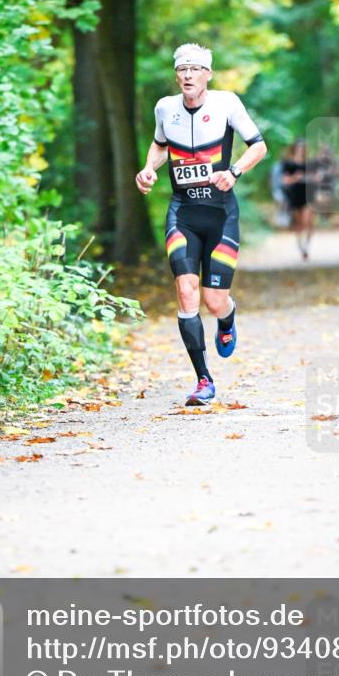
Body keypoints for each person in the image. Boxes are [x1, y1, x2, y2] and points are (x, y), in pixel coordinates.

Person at [135, 43, 267, 406]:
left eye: (195, 69)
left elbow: (259, 146)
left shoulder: (227, 104)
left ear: (207, 74)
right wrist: (149, 169)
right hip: (183, 213)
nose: (188, 75)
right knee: (186, 291)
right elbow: (160, 145)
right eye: (182, 69)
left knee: (213, 301)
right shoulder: (165, 108)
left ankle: (228, 319)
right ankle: (203, 379)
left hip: (221, 213)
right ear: (176, 75)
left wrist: (235, 171)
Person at [281, 139, 315, 259]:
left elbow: (316, 178)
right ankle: (301, 246)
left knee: (307, 221)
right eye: (299, 148)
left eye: (303, 148)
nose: (301, 150)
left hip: (308, 195)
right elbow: (285, 180)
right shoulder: (288, 164)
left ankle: (306, 245)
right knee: (299, 223)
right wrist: (295, 178)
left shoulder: (310, 163)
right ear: (294, 149)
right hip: (294, 195)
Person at [313, 143, 337, 224]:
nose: (325, 153)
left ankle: (326, 218)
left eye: (326, 151)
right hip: (319, 187)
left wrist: (332, 172)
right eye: (323, 151)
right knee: (319, 201)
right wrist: (316, 176)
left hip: (329, 186)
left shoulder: (332, 162)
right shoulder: (316, 161)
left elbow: (337, 173)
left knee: (328, 202)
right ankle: (320, 217)